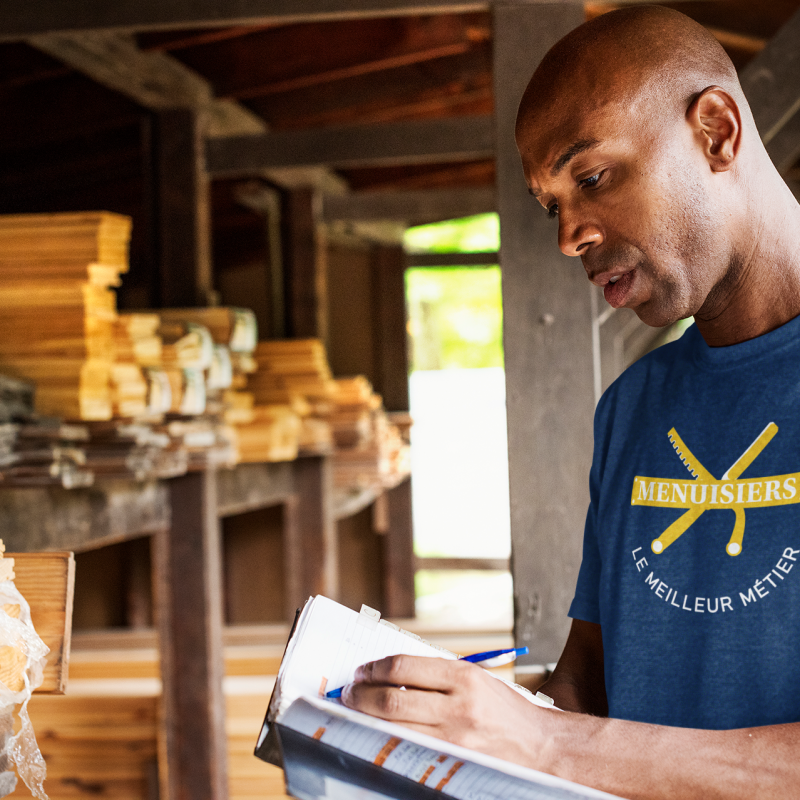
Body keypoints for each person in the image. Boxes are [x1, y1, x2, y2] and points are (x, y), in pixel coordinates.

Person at [341, 6, 800, 798]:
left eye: (589, 178)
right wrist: (445, 735)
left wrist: (551, 745)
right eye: (553, 204)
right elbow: (586, 689)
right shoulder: (634, 406)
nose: (568, 236)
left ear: (717, 132)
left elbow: (569, 741)